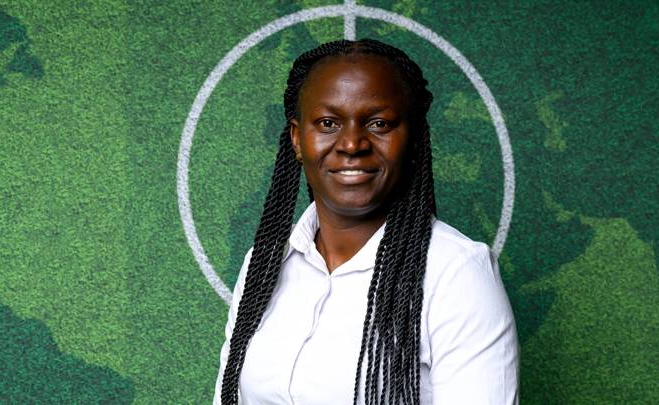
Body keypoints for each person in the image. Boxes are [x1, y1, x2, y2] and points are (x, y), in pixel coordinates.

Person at [214, 38, 519, 404]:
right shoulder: (262, 267)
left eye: (379, 123)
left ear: (414, 140)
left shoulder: (456, 274)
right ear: (298, 139)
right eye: (328, 122)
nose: (352, 143)